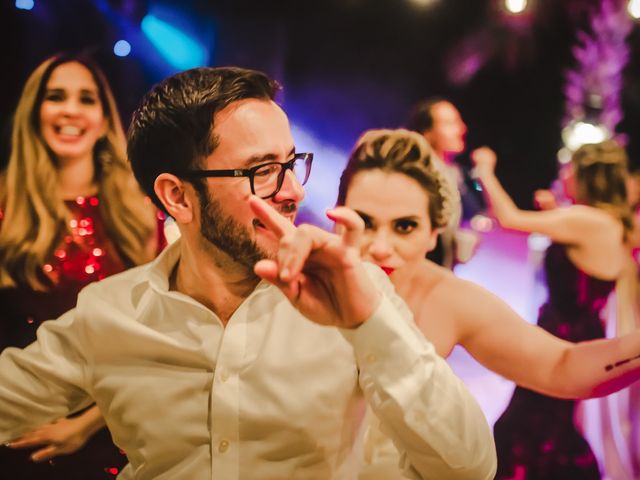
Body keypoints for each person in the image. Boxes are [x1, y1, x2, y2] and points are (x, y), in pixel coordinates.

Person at [0, 66, 497, 480]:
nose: (295, 192)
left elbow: (470, 467)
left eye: (290, 163)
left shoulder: (354, 293)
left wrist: (371, 325)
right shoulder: (110, 312)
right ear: (177, 196)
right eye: (261, 170)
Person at [334, 128, 640, 479]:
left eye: (405, 227)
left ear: (434, 232)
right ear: (336, 215)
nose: (381, 247)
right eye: (364, 222)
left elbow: (561, 365)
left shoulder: (447, 297)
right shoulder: (292, 285)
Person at [0, 53, 164, 478]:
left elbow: (158, 335)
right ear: (35, 110)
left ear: (103, 116)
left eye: (86, 99)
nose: (71, 109)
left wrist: (85, 424)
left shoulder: (138, 212)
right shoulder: (4, 204)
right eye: (56, 96)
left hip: (109, 433)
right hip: (13, 432)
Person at [472, 139, 635, 479]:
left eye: (569, 169)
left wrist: (485, 170)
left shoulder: (585, 220)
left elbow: (509, 218)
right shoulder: (608, 222)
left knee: (524, 431)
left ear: (587, 176)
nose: (564, 175)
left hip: (563, 340)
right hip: (579, 334)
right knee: (545, 427)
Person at [405, 98, 485, 268]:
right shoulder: (418, 175)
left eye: (459, 122)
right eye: (450, 123)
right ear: (427, 132)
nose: (462, 129)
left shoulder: (452, 173)